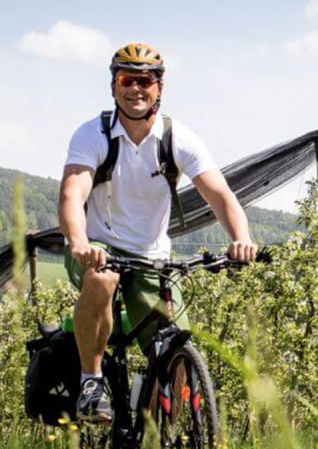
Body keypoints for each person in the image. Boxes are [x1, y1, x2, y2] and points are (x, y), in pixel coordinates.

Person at [59, 42, 257, 423]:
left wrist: (240, 236)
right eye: (126, 79)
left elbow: (220, 195)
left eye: (145, 80)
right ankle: (91, 380)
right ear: (113, 86)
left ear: (159, 88)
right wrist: (79, 242)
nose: (136, 88)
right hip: (98, 247)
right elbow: (72, 193)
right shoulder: (92, 134)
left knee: (176, 349)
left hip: (152, 256)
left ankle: (158, 443)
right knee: (102, 279)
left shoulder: (177, 137)